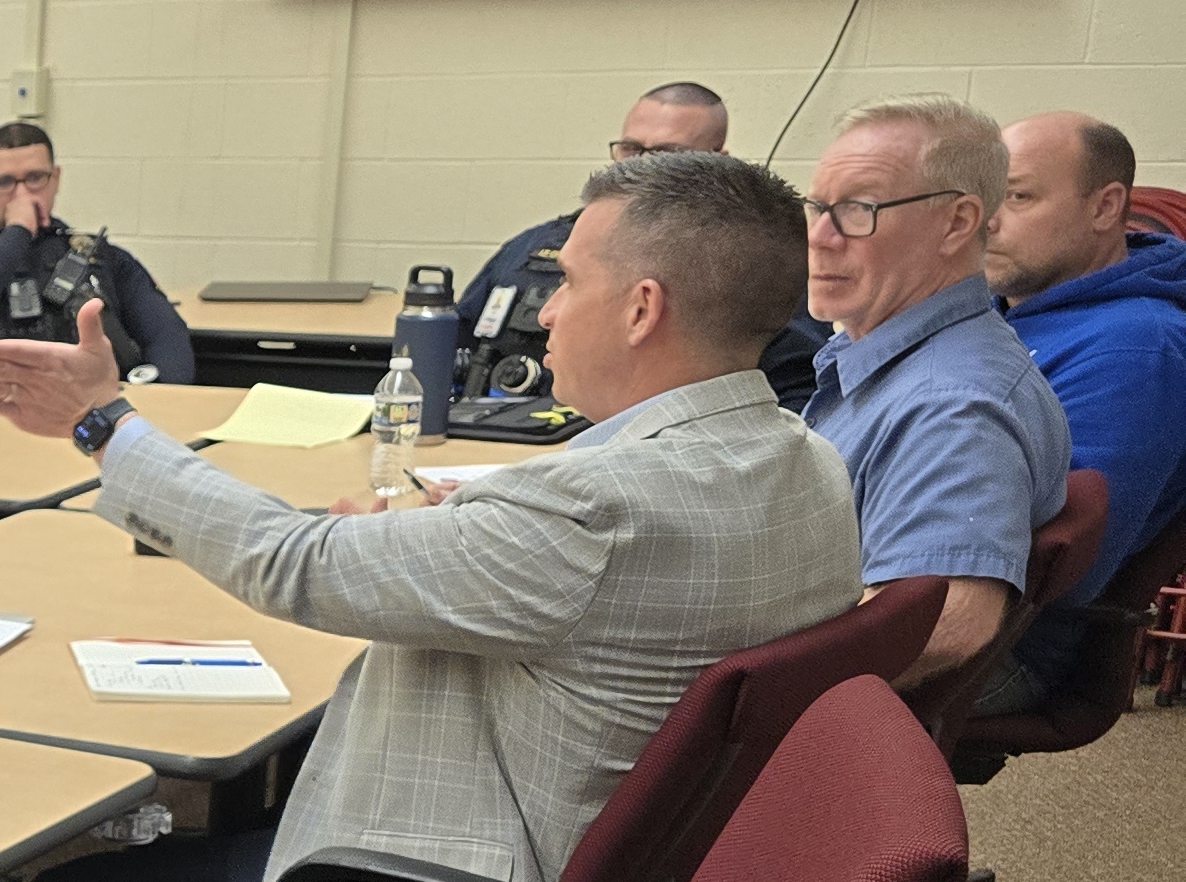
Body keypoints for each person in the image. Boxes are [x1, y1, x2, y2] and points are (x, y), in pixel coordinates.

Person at [0, 148, 861, 882]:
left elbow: (293, 561)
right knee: (212, 843)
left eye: (565, 283)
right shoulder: (806, 462)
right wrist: (451, 530)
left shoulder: (593, 512)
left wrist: (102, 423)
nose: (546, 311)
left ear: (641, 309)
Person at [799, 95, 1072, 696]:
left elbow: (944, 624)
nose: (819, 238)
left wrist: (733, 702)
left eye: (858, 210)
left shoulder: (950, 408)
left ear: (957, 223)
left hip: (802, 718)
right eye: (816, 207)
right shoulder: (903, 361)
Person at [981, 111, 1186, 711]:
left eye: (1018, 196)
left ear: (1104, 207)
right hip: (913, 587)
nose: (987, 220)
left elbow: (1064, 563)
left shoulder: (1137, 346)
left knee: (753, 688)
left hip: (1003, 646)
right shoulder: (993, 315)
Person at [455, 82, 828, 407]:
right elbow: (453, 353)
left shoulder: (743, 261)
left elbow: (795, 396)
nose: (642, 166)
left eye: (667, 154)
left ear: (718, 161)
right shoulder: (533, 248)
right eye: (631, 149)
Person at [0, 120, 192, 383]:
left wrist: (153, 398)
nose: (22, 194)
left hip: (95, 403)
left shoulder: (105, 258)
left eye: (35, 178)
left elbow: (167, 335)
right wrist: (18, 231)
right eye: (4, 182)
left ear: (55, 179)